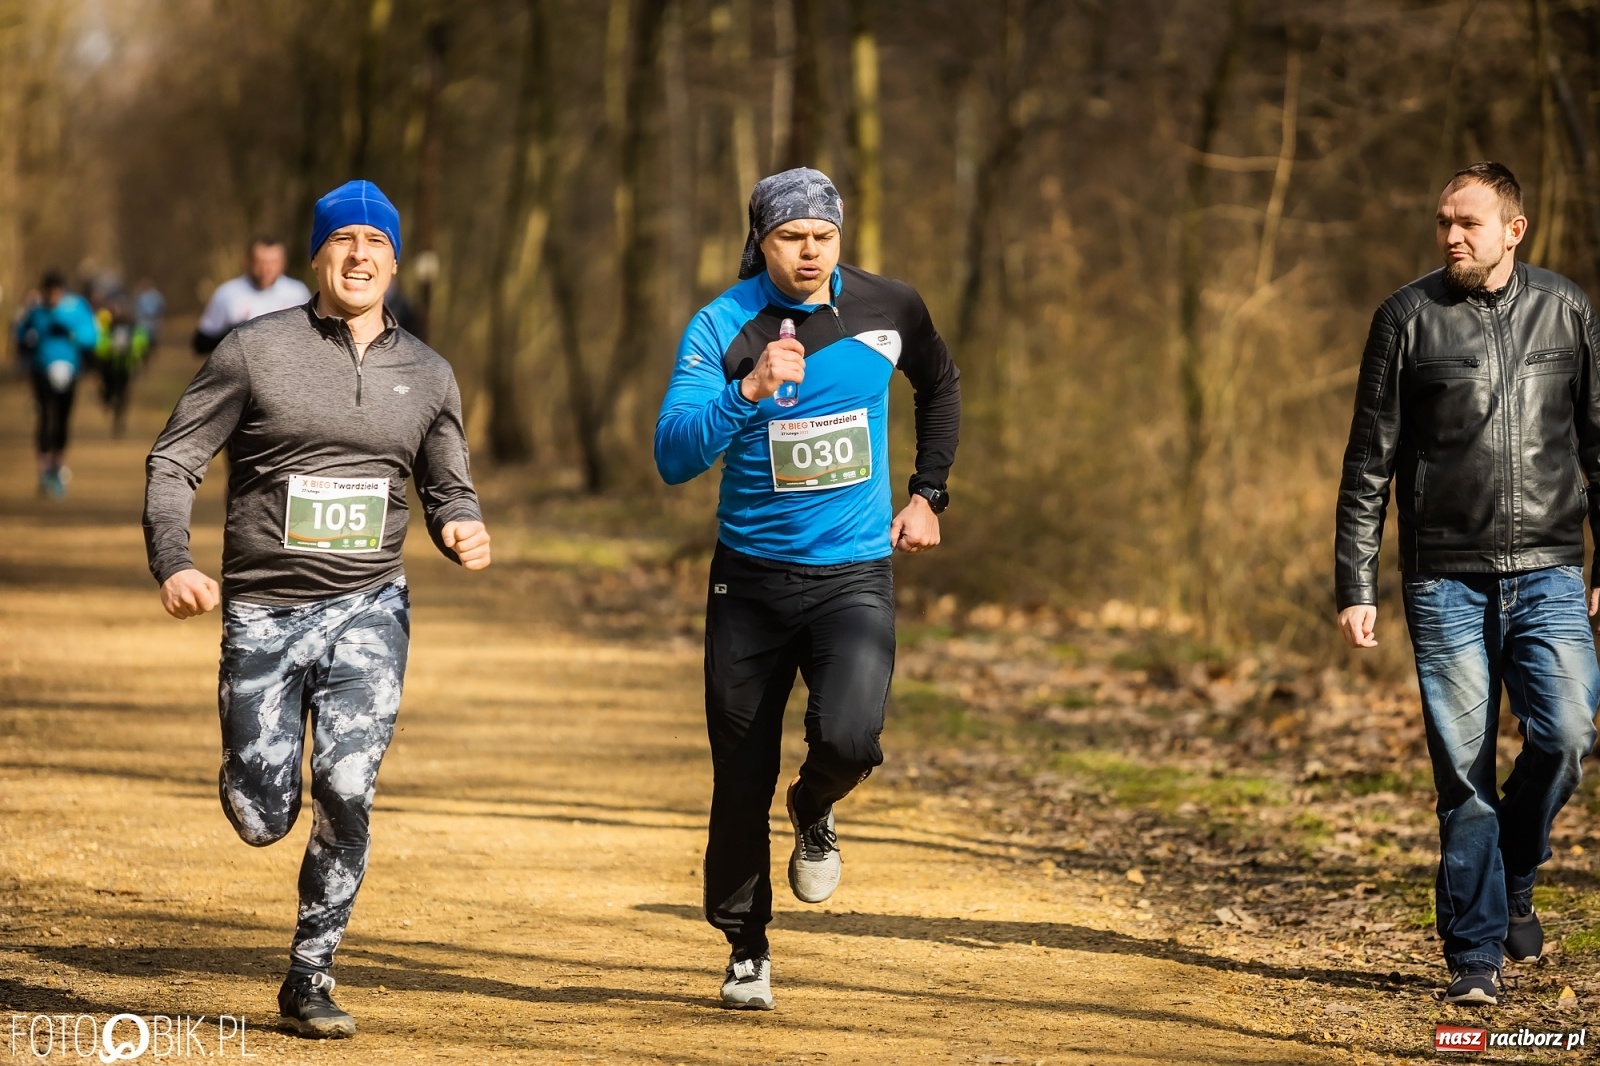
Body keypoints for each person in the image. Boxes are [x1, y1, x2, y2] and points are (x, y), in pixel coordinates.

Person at [143, 180, 491, 1038]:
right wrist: (175, 562)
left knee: (346, 786)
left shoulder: (429, 372)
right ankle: (248, 768)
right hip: (263, 609)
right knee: (264, 817)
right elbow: (173, 460)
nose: (361, 255)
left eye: (377, 242)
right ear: (317, 256)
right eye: (344, 241)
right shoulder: (254, 352)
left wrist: (463, 524)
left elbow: (448, 485)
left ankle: (311, 972)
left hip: (369, 605)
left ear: (395, 261)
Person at [655, 168, 961, 1011]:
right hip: (749, 583)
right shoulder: (724, 325)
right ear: (762, 240)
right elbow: (674, 453)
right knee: (738, 774)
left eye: (822, 234)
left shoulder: (890, 307)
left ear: (839, 235)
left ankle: (816, 802)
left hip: (854, 573)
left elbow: (940, 384)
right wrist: (745, 393)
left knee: (854, 738)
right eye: (791, 236)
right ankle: (746, 946)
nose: (809, 250)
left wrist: (928, 492)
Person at [1336, 161, 1600, 1007]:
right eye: (1443, 222)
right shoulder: (1406, 319)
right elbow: (1369, 461)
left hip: (1553, 569)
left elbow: (1598, 447)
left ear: (1514, 231)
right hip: (1444, 581)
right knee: (1465, 772)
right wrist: (1356, 581)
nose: (1451, 236)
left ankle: (1517, 868)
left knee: (1566, 735)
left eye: (1469, 223)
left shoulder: (1568, 310)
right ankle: (1475, 957)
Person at [13, 270, 100, 497]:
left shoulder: (76, 308)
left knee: (62, 420)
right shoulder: (35, 311)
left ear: (61, 291)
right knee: (44, 418)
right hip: (41, 371)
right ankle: (43, 470)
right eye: (48, 292)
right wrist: (26, 345)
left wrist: (71, 333)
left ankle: (58, 466)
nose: (52, 297)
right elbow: (20, 335)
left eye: (56, 292)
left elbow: (92, 336)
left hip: (69, 372)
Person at [192, 236, 312, 355]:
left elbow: (310, 337)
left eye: (273, 262)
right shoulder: (227, 294)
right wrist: (235, 336)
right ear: (248, 261)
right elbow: (201, 343)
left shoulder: (297, 293)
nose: (266, 269)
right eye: (261, 262)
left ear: (283, 262)